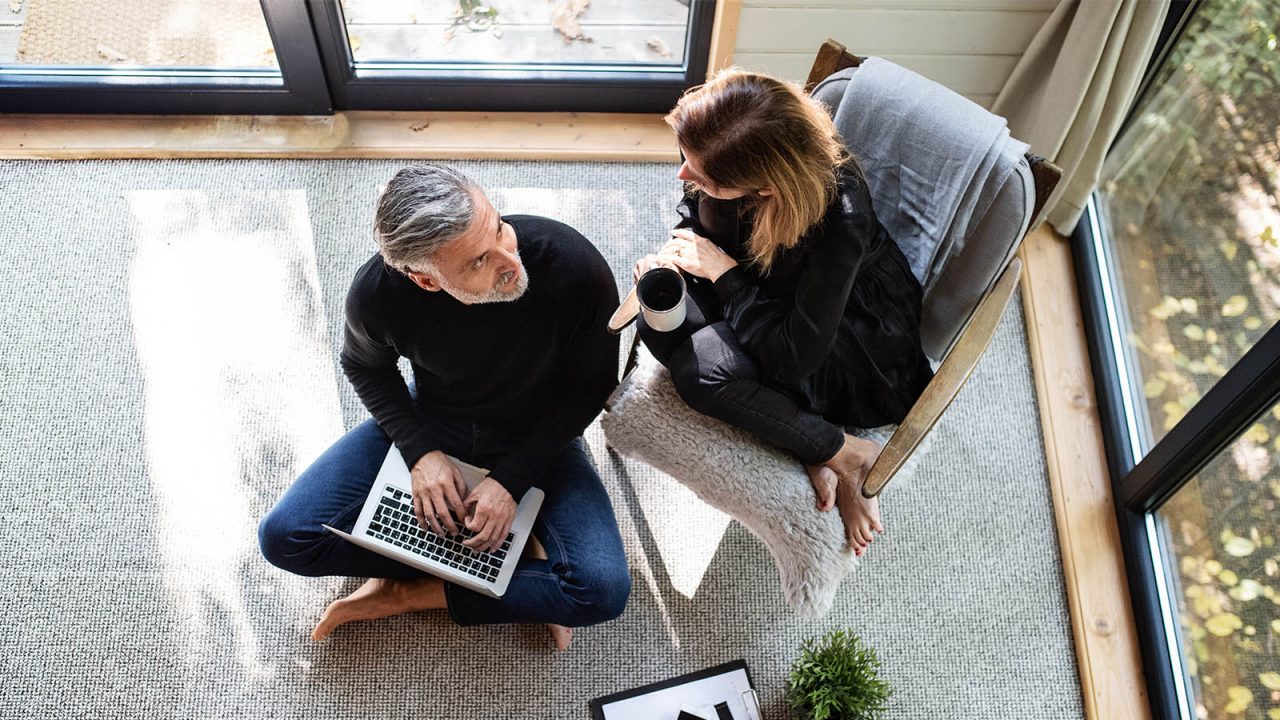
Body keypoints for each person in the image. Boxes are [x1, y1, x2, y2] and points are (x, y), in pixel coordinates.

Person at [258, 164, 630, 650]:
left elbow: (593, 385)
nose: (510, 261)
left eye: (498, 227)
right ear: (427, 281)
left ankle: (412, 593)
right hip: (434, 419)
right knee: (285, 538)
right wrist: (421, 454)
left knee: (599, 592)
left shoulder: (571, 265)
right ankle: (515, 571)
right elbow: (364, 366)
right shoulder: (377, 295)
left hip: (540, 435)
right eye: (478, 262)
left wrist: (511, 482)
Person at [633, 70, 934, 557]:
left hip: (841, 333)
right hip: (750, 282)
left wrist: (724, 275)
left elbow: (794, 357)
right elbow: (693, 211)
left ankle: (843, 455)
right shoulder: (713, 141)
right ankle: (827, 448)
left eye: (703, 176)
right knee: (654, 317)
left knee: (702, 372)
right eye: (685, 158)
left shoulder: (842, 217)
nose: (683, 176)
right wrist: (680, 251)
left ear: (766, 189)